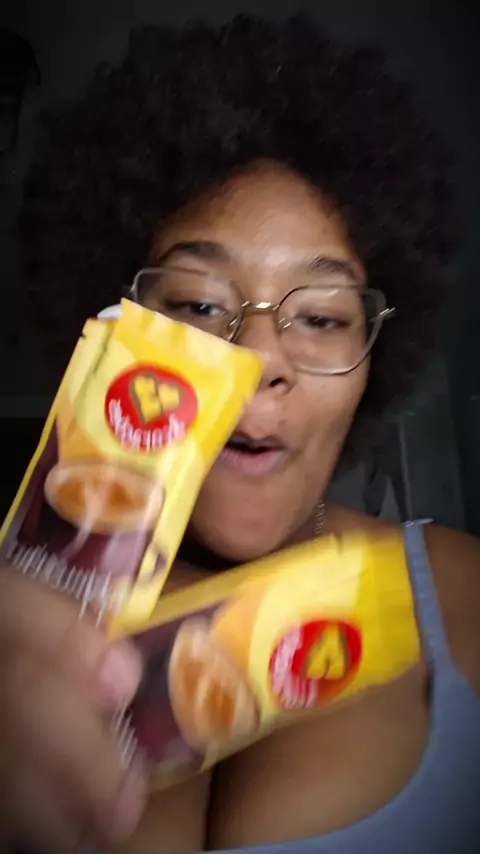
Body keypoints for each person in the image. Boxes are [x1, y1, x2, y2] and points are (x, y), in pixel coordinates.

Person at [2, 13, 479, 854]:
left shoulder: (465, 595)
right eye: (198, 305)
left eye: (322, 316)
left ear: (375, 361)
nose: (258, 359)